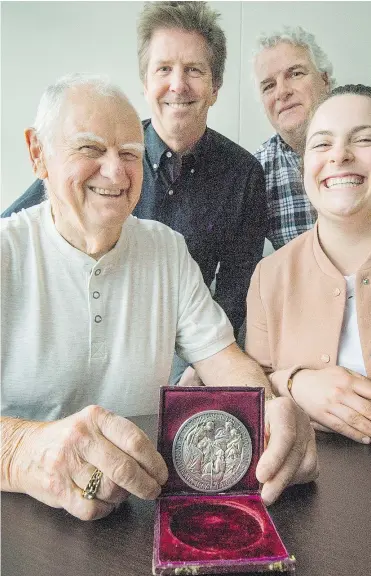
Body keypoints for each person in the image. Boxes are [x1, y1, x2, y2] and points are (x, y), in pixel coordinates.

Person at [1, 74, 318, 521]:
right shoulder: (6, 252)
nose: (114, 171)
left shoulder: (165, 248)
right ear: (39, 153)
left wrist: (271, 411)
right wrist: (22, 452)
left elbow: (223, 359)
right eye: (90, 148)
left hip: (136, 511)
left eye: (130, 153)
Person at [2, 2, 267, 358]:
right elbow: (17, 227)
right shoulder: (97, 161)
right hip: (83, 332)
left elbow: (236, 291)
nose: (178, 84)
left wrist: (200, 365)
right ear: (145, 82)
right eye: (163, 69)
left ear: (216, 86)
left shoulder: (243, 173)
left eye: (193, 70)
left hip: (185, 345)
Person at [246, 85, 371, 447]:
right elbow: (256, 390)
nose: (340, 156)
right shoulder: (268, 276)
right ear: (304, 171)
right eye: (321, 144)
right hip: (303, 492)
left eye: (364, 139)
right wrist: (297, 383)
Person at [253, 27, 371, 249]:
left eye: (295, 73)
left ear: (325, 80)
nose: (282, 92)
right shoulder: (257, 170)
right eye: (268, 86)